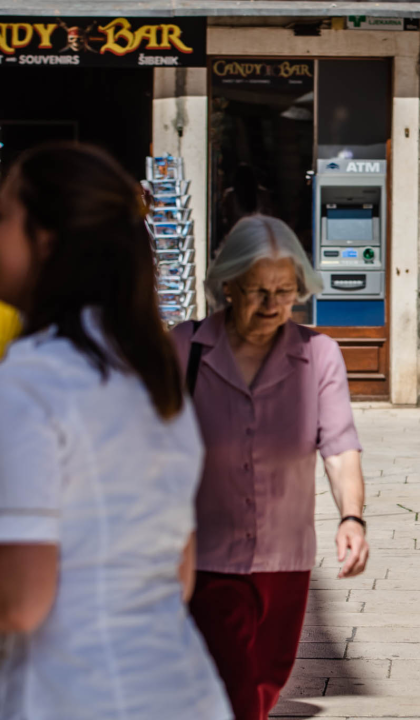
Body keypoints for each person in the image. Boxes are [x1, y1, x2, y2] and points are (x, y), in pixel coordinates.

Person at [0, 143, 231, 719]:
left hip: (75, 692)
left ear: (46, 240)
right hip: (181, 686)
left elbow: (21, 602)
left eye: (4, 216)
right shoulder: (151, 377)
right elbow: (178, 573)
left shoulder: (30, 382)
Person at [173, 215, 370, 720]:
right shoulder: (185, 351)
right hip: (206, 560)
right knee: (236, 692)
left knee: (264, 687)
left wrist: (352, 517)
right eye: (258, 289)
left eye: (285, 291)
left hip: (288, 561)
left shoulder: (318, 355)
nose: (272, 304)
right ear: (229, 286)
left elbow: (340, 445)